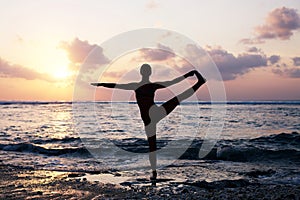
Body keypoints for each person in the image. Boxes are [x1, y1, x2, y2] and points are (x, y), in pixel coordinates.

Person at [91, 64, 206, 180]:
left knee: (152, 146)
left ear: (141, 73)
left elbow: (116, 86)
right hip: (155, 115)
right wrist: (187, 75)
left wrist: (101, 85)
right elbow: (172, 82)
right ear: (149, 73)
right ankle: (154, 172)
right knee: (178, 99)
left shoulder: (137, 86)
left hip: (150, 117)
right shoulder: (150, 86)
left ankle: (154, 172)